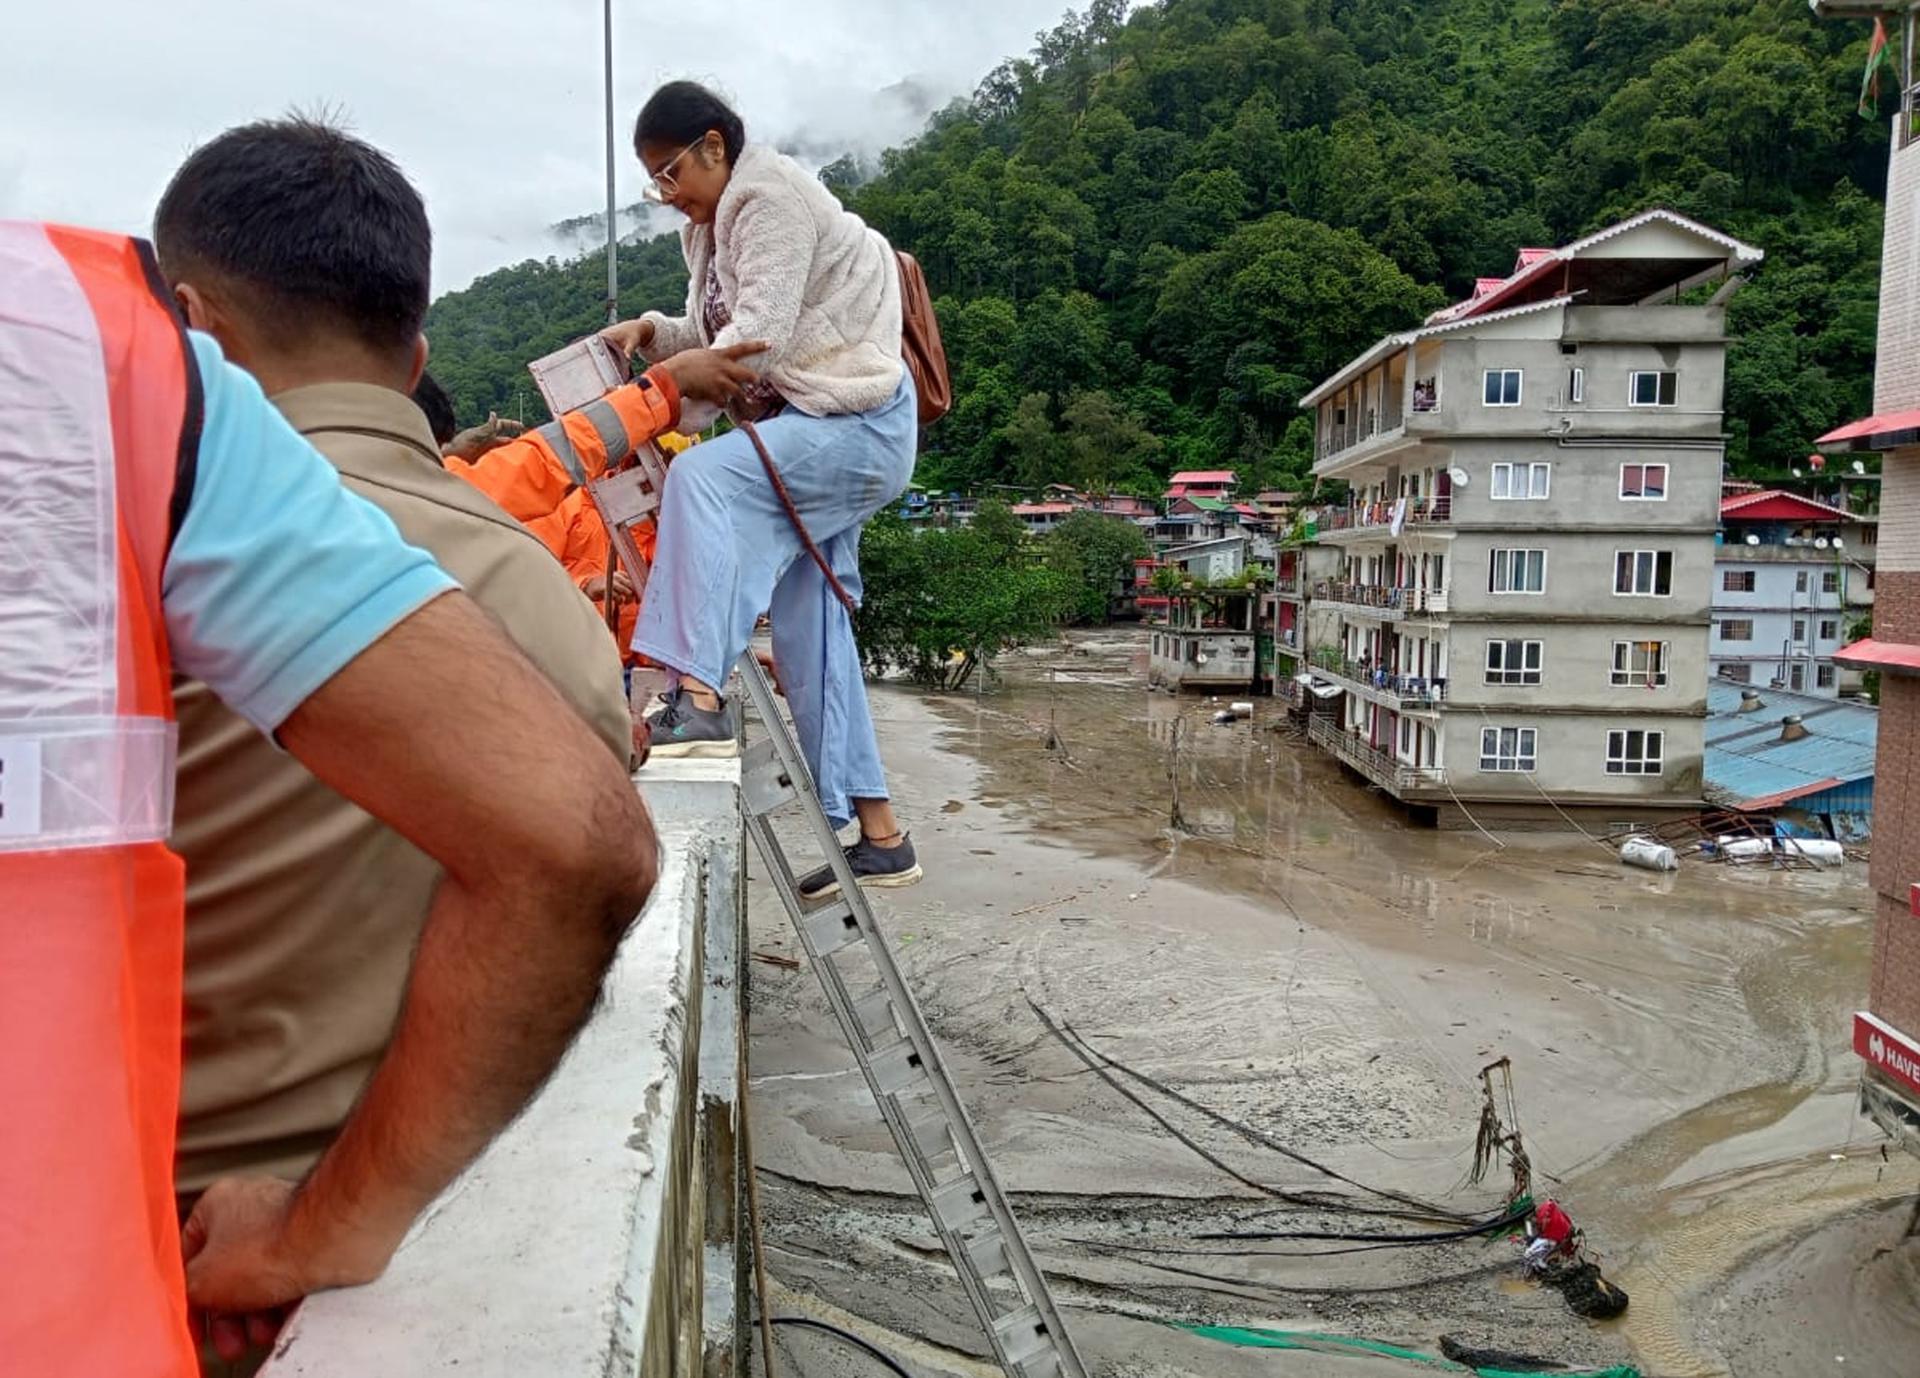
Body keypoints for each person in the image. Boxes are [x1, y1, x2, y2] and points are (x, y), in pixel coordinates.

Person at [0, 221, 657, 1376]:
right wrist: (325, 1226)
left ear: (198, 315)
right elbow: (574, 845)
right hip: (180, 1285)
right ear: (415, 359)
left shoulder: (132, 441)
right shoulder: (81, 353)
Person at [150, 118, 755, 1267]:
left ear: (184, 329)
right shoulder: (550, 604)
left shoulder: (125, 559)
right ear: (416, 358)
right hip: (417, 1237)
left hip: (158, 1249)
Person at [602, 80, 922, 898]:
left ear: (715, 146)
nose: (668, 196)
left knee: (702, 480)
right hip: (816, 426)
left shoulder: (768, 197)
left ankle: (696, 693)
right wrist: (654, 334)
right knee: (813, 628)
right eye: (657, 183)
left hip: (852, 421)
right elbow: (715, 335)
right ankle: (880, 833)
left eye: (672, 174)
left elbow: (756, 340)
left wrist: (662, 388)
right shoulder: (710, 230)